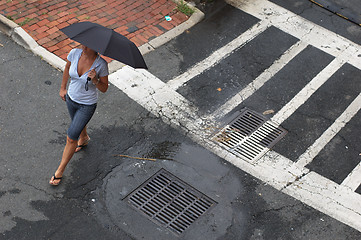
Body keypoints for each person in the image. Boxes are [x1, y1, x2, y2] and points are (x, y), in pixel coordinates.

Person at [49, 45, 109, 186]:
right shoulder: (75, 53)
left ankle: (59, 171)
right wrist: (63, 87)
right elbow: (67, 68)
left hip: (87, 105)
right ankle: (84, 138)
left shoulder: (101, 64)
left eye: (87, 44)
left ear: (95, 47)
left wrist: (95, 80)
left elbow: (104, 88)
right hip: (71, 98)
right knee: (77, 123)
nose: (83, 45)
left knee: (71, 137)